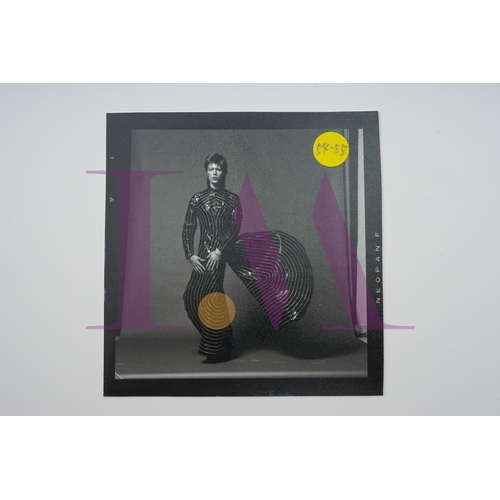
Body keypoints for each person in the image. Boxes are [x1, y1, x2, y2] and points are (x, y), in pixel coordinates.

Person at [182, 153, 241, 364]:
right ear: (206, 172)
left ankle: (217, 350)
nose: (215, 172)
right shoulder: (197, 199)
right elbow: (188, 227)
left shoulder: (233, 199)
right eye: (211, 169)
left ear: (224, 172)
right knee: (191, 297)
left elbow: (235, 228)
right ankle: (226, 341)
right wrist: (190, 254)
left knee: (213, 296)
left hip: (219, 255)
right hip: (201, 256)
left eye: (218, 169)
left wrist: (219, 251)